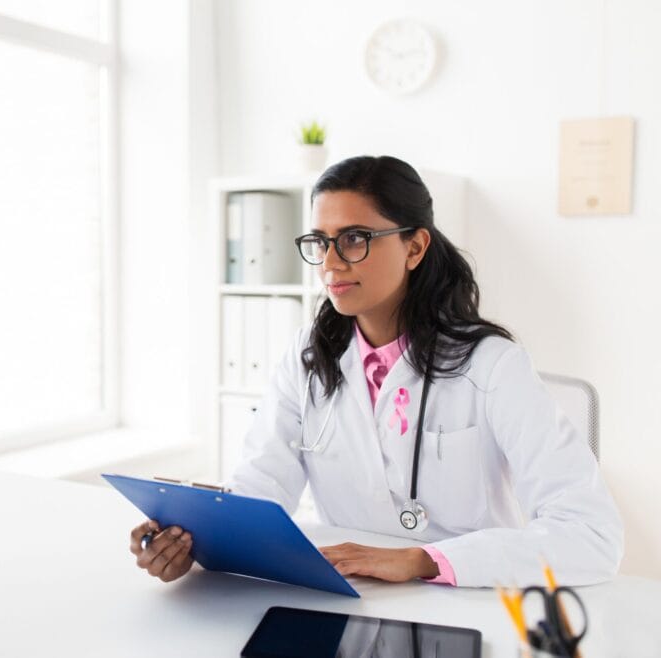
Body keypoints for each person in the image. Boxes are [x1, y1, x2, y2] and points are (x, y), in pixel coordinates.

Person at [129, 155, 623, 588]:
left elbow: (592, 535)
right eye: (321, 242)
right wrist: (194, 544)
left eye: (355, 239)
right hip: (352, 599)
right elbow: (260, 494)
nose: (331, 263)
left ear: (415, 247)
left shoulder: (492, 365)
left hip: (470, 600)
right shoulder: (307, 357)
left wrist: (423, 560)